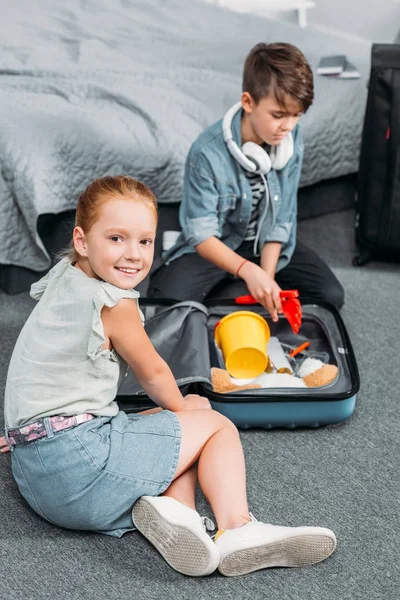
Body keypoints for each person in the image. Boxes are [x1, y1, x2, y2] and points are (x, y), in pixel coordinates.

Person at [1, 175, 337, 577]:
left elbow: (35, 367)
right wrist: (191, 413)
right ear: (81, 240)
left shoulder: (65, 277)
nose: (133, 255)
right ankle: (237, 528)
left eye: (144, 241)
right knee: (212, 425)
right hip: (79, 475)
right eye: (116, 239)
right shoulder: (114, 302)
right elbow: (155, 374)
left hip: (36, 474)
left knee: (171, 423)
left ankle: (181, 516)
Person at [147, 42, 344, 320]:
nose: (288, 126)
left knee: (331, 297)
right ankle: (231, 280)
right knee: (166, 305)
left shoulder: (291, 140)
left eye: (296, 116)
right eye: (278, 115)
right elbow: (201, 234)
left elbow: (281, 220)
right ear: (248, 102)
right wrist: (247, 271)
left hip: (263, 245)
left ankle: (236, 286)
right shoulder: (206, 152)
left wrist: (267, 276)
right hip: (219, 244)